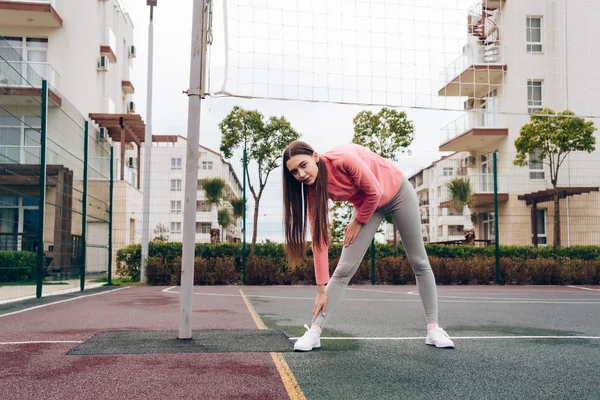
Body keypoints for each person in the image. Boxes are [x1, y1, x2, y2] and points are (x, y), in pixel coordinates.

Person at [282, 140, 454, 351]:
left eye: (303, 165)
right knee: (343, 269)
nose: (300, 174)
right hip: (369, 205)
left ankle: (434, 328)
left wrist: (358, 221)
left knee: (418, 260)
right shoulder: (312, 190)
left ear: (315, 157)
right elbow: (319, 239)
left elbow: (375, 191)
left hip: (396, 191)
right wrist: (320, 290)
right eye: (294, 172)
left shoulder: (344, 160)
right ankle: (315, 332)